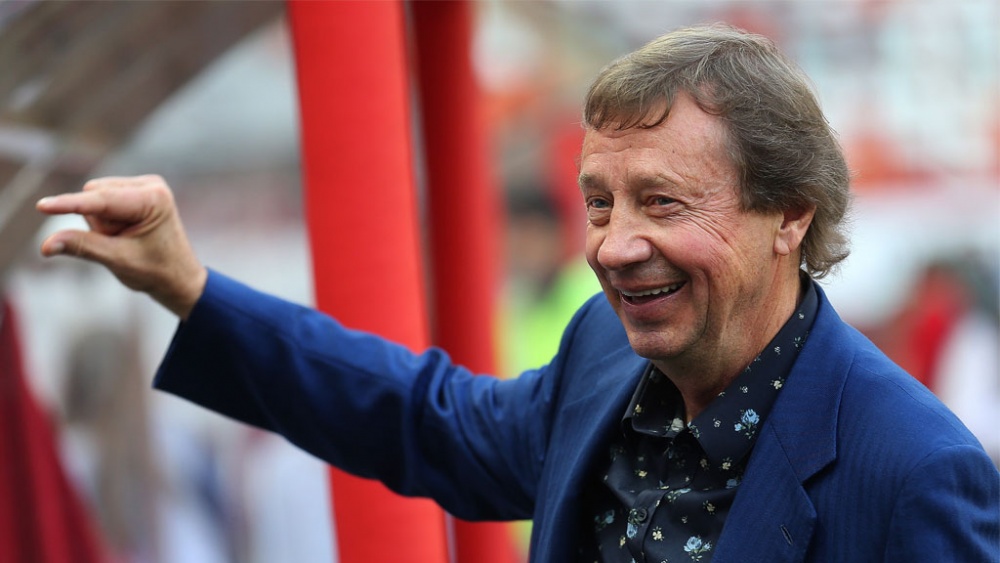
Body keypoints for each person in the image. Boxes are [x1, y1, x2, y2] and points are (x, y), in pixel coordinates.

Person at [35, 24, 998, 562]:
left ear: (788, 214)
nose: (616, 246)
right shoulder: (601, 354)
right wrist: (191, 288)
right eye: (599, 202)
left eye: (661, 202)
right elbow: (419, 415)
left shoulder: (914, 472)